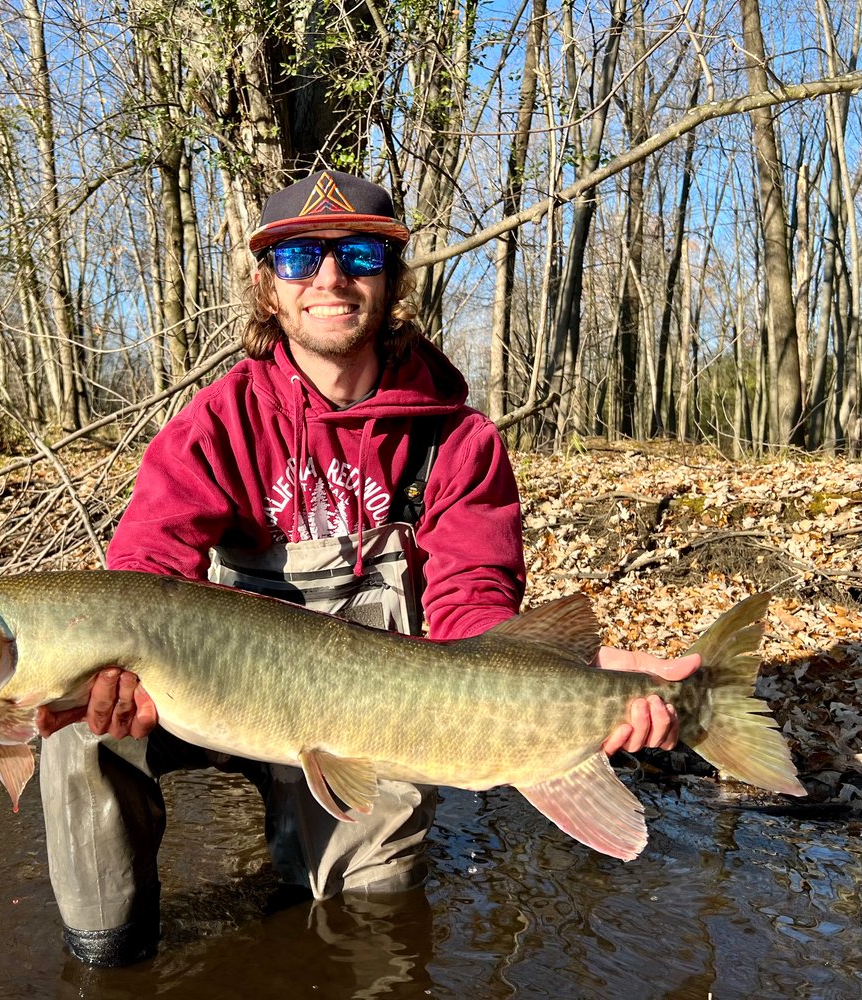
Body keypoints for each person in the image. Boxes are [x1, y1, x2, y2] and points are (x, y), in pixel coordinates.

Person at [36, 170, 697, 967]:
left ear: (391, 280)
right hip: (209, 695)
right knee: (76, 736)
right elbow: (145, 568)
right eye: (297, 259)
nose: (328, 278)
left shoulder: (458, 442)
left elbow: (470, 602)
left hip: (366, 717)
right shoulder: (212, 425)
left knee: (371, 922)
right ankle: (110, 958)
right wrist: (105, 669)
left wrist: (581, 674)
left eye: (356, 254)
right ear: (266, 287)